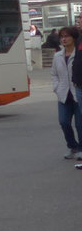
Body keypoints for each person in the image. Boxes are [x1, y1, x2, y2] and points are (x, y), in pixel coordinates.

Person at [53, 27, 82, 160]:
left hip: (77, 93)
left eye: (66, 36)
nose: (63, 39)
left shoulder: (78, 54)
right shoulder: (57, 55)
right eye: (61, 37)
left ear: (74, 38)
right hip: (64, 94)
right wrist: (56, 88)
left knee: (80, 124)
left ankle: (81, 149)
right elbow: (54, 74)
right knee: (64, 122)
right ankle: (72, 146)